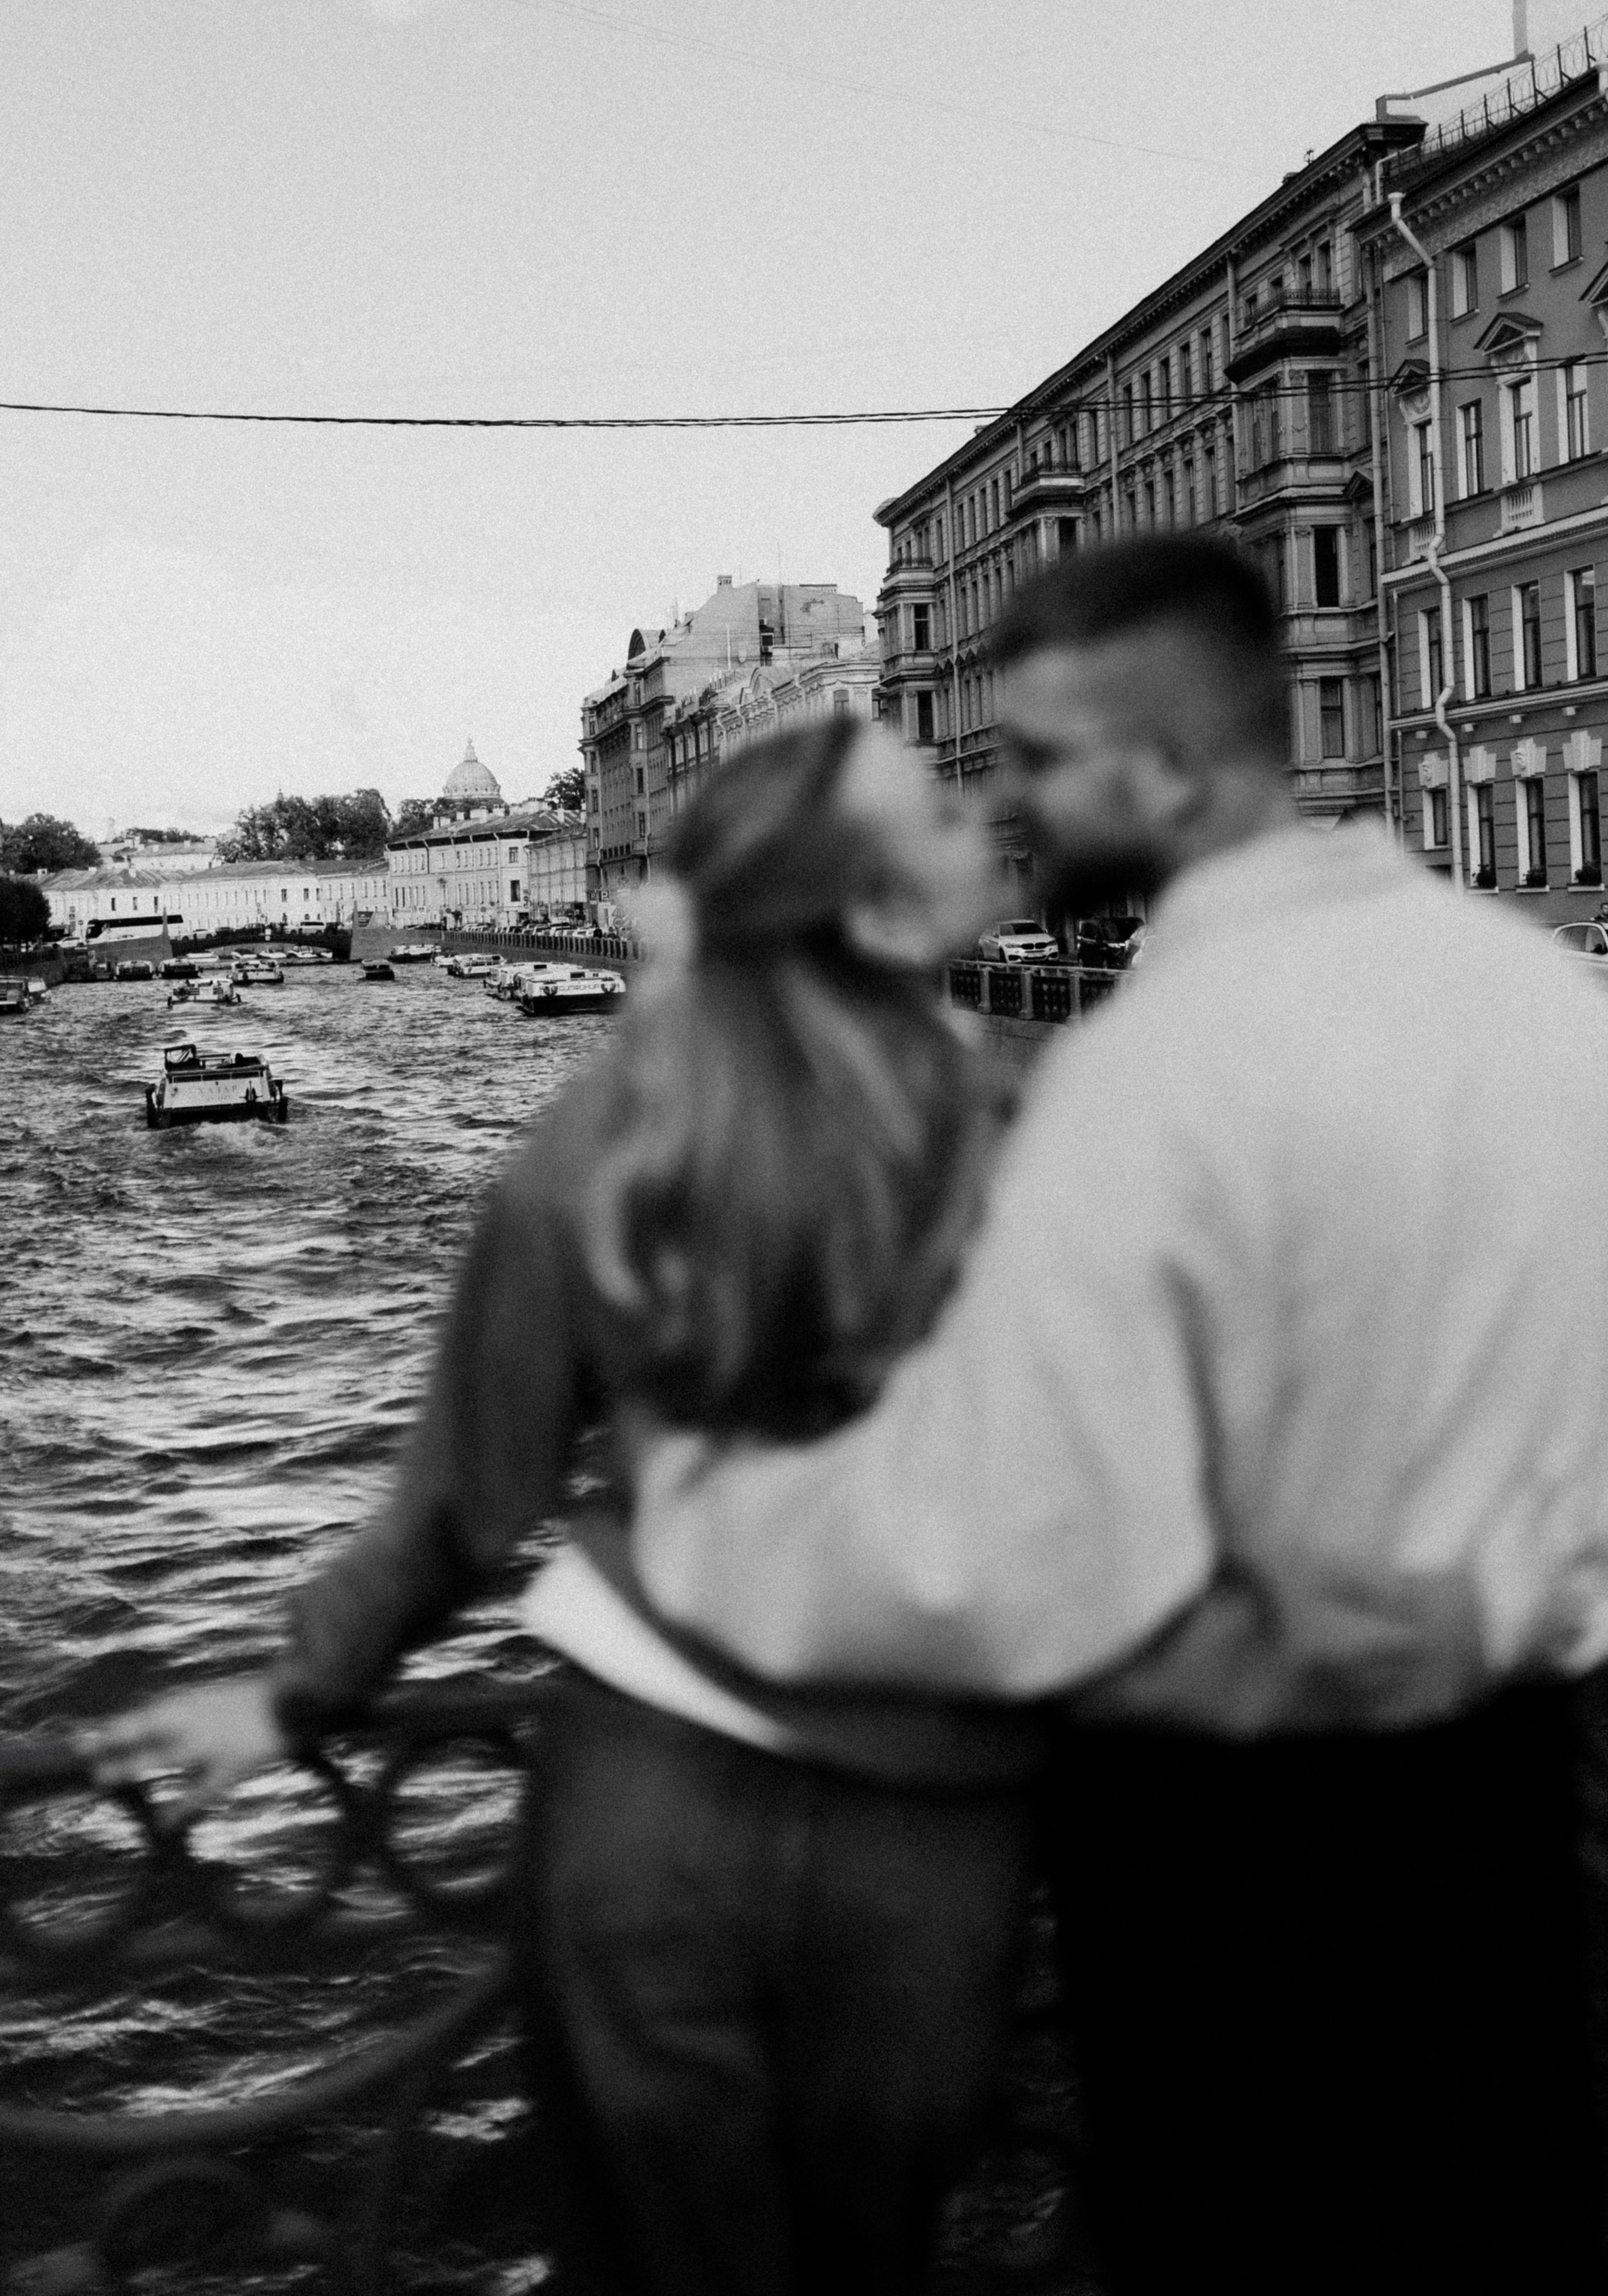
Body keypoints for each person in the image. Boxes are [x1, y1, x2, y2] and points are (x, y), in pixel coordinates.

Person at [627, 530, 1608, 2296]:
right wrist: (1503, 1601)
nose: (1007, 798)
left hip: (1226, 1841)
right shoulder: (1541, 1000)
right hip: (1518, 1798)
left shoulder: (1144, 1073)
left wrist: (714, 1537)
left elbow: (1003, 1548)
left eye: (1040, 759)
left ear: (1167, 765)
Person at [88, 717, 1051, 2296]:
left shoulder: (606, 1137)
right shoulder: (1035, 1137)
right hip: (922, 1823)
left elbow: (468, 1502)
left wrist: (294, 1691)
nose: (971, 819)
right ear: (873, 911)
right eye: (929, 820)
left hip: (648, 1804)